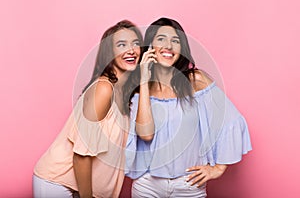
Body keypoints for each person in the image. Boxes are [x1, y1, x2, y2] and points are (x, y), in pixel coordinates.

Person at [125, 17, 252, 197]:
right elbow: (146, 134)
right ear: (150, 46)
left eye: (175, 41)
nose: (168, 45)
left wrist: (218, 168)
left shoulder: (196, 80)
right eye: (161, 39)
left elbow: (230, 119)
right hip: (148, 184)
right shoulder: (140, 87)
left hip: (189, 184)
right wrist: (144, 79)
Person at [33, 20, 143, 198]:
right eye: (121, 44)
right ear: (109, 53)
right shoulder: (103, 89)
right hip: (58, 183)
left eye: (135, 43)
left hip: (83, 189)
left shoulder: (123, 92)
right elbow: (81, 155)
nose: (131, 50)